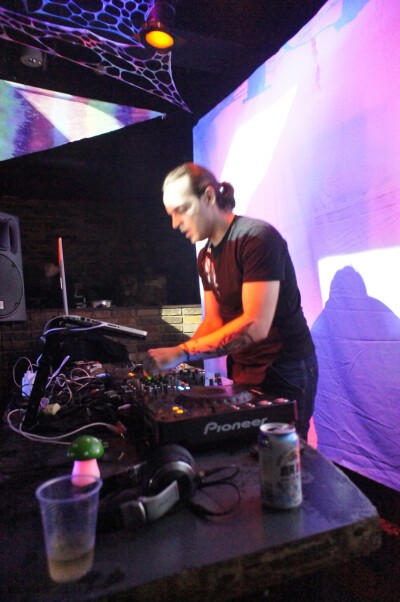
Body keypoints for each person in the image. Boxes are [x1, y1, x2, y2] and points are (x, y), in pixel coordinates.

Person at [143, 163, 318, 440]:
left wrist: (181, 352)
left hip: (283, 368)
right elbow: (214, 321)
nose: (175, 223)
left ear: (208, 196)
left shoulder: (256, 238)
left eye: (181, 210)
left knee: (282, 452)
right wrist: (177, 359)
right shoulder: (205, 257)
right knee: (246, 448)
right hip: (243, 367)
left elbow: (256, 325)